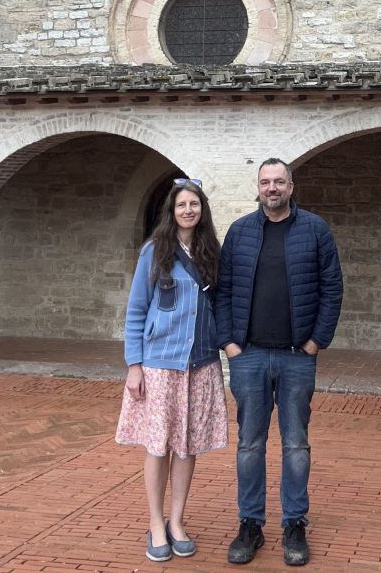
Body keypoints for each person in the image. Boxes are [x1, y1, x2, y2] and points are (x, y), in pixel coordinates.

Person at [216, 158, 343, 567]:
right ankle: (250, 524)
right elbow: (222, 291)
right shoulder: (239, 232)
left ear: (291, 186)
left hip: (296, 358)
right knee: (250, 444)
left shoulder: (315, 230)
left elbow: (332, 288)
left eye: (279, 181)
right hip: (248, 355)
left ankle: (294, 524)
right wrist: (230, 344)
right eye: (265, 182)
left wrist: (315, 342)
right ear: (258, 187)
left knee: (296, 444)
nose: (272, 188)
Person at [115, 178, 228, 563]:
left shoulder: (211, 252)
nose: (188, 210)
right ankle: (156, 523)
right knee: (158, 446)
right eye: (182, 204)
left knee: (187, 445)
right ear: (172, 210)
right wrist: (134, 365)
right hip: (160, 364)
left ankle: (178, 521)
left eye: (194, 204)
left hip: (201, 362)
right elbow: (135, 311)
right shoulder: (154, 251)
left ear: (202, 209)